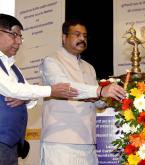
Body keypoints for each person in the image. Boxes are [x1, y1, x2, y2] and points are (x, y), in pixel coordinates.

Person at [39, 19, 126, 165]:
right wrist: (100, 91)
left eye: (85, 36)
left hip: (88, 140)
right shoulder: (51, 61)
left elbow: (97, 101)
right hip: (60, 141)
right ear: (64, 37)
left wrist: (110, 97)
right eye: (77, 34)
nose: (82, 39)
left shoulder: (89, 67)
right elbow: (66, 88)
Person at [0, 13, 79, 165]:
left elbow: (30, 100)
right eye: (14, 35)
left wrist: (25, 96)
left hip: (11, 145)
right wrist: (50, 90)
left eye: (20, 37)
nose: (19, 41)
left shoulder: (13, 67)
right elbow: (11, 89)